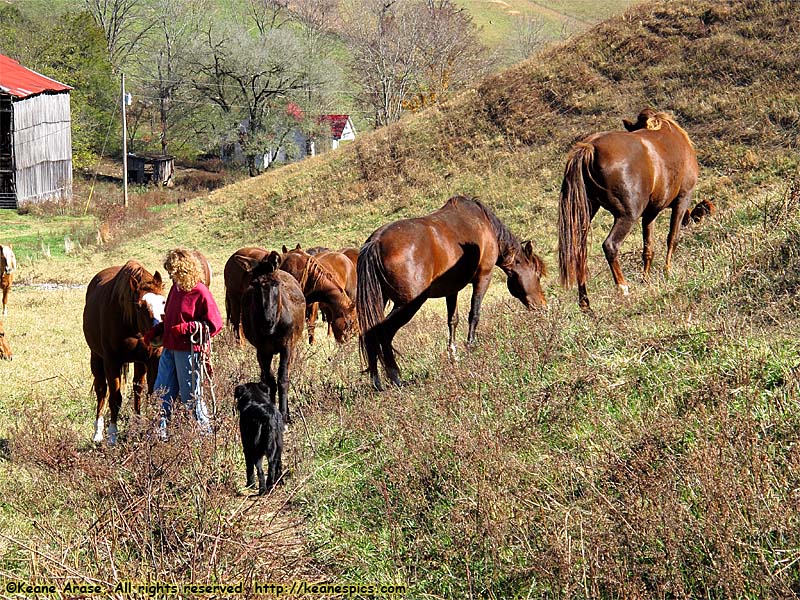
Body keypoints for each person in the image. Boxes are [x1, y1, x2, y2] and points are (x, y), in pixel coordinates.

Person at [145, 248, 223, 438]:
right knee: (161, 393)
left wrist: (186, 329)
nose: (171, 276)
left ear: (184, 270)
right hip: (170, 350)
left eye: (173, 271)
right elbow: (172, 319)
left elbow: (215, 324)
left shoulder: (200, 292)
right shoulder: (175, 289)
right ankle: (159, 437)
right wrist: (158, 330)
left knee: (191, 398)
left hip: (189, 352)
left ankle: (204, 437)